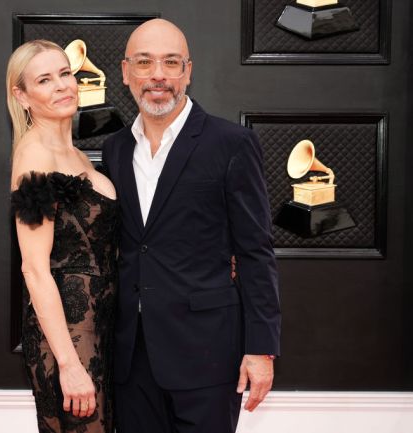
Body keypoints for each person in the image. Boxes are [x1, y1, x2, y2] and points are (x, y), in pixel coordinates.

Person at [101, 19, 281, 433]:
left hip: (208, 354)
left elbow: (255, 251)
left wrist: (261, 349)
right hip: (131, 357)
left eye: (171, 62)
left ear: (188, 72)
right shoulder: (115, 149)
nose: (158, 75)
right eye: (144, 62)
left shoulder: (231, 143)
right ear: (126, 72)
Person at [7, 39, 118, 433]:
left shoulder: (77, 156)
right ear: (22, 96)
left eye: (65, 73)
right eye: (44, 80)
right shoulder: (34, 156)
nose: (61, 86)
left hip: (99, 327)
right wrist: (69, 364)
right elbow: (34, 269)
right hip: (69, 338)